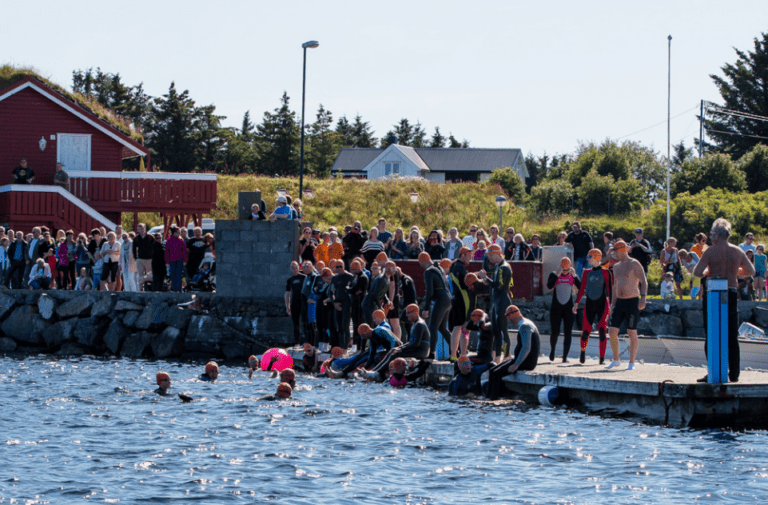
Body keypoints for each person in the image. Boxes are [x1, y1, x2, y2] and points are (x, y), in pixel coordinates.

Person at [694, 218, 755, 383]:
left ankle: (713, 370)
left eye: (712, 233)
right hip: (731, 292)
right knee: (731, 334)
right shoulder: (737, 251)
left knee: (712, 332)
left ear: (717, 236)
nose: (710, 236)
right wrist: (735, 271)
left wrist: (708, 271)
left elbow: (697, 272)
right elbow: (751, 270)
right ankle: (734, 374)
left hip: (713, 292)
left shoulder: (710, 251)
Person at [606, 240, 648, 371]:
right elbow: (614, 287)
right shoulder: (616, 267)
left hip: (632, 301)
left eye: (616, 251)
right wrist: (612, 305)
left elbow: (644, 281)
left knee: (631, 332)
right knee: (612, 331)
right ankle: (616, 359)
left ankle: (631, 362)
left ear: (623, 250)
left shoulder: (634, 263)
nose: (615, 254)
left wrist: (643, 298)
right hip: (620, 301)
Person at [485, 305, 540, 400]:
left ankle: (493, 399)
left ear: (517, 313)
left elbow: (526, 347)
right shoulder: (525, 324)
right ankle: (491, 397)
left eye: (509, 316)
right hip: (522, 360)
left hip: (527, 362)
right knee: (492, 370)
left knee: (496, 373)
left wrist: (516, 364)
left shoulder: (525, 326)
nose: (509, 319)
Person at [573, 249, 612, 364]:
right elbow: (581, 289)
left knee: (601, 330)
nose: (588, 259)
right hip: (589, 303)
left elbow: (610, 290)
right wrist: (576, 303)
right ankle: (582, 353)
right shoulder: (586, 272)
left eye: (589, 257)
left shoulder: (606, 272)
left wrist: (612, 305)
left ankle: (601, 358)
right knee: (585, 331)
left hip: (602, 304)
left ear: (596, 257)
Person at [477, 245, 513, 363]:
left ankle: (507, 355)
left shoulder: (504, 267)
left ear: (498, 254)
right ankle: (497, 356)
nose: (489, 259)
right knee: (496, 331)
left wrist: (486, 278)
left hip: (502, 302)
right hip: (495, 302)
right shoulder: (498, 267)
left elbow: (499, 286)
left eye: (491, 256)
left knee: (503, 330)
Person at [419, 252, 452, 360]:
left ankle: (431, 354)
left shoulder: (428, 272)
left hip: (441, 300)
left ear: (423, 261)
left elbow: (429, 290)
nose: (421, 266)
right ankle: (455, 351)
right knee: (442, 328)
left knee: (432, 327)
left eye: (420, 264)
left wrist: (426, 308)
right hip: (448, 299)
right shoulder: (439, 268)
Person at [548, 257, 580, 363]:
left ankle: (565, 357)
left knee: (568, 333)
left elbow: (581, 287)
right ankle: (552, 351)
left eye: (567, 269)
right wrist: (557, 274)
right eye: (563, 269)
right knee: (555, 332)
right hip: (556, 307)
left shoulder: (572, 276)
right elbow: (549, 286)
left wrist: (575, 276)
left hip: (568, 307)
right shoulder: (554, 274)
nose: (565, 271)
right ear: (560, 267)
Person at [448, 248, 475, 360]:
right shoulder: (461, 267)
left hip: (454, 298)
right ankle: (463, 354)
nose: (471, 258)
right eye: (469, 256)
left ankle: (453, 355)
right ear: (463, 255)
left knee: (456, 328)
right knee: (465, 328)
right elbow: (465, 284)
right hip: (463, 299)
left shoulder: (453, 265)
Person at [285, 261, 306, 346]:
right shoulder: (290, 280)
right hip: (294, 303)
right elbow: (287, 293)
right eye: (292, 267)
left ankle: (306, 342)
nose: (294, 269)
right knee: (296, 324)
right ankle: (296, 343)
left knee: (305, 323)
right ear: (290, 269)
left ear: (299, 267)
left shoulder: (304, 277)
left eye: (296, 267)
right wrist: (287, 306)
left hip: (303, 303)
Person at [133, 223, 154, 291]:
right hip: (140, 259)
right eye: (140, 229)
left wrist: (153, 257)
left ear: (145, 228)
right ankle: (140, 289)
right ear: (138, 230)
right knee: (140, 275)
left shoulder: (150, 237)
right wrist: (136, 258)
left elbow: (154, 247)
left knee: (149, 275)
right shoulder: (136, 238)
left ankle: (149, 288)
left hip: (149, 259)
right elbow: (133, 249)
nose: (141, 230)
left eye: (142, 228)